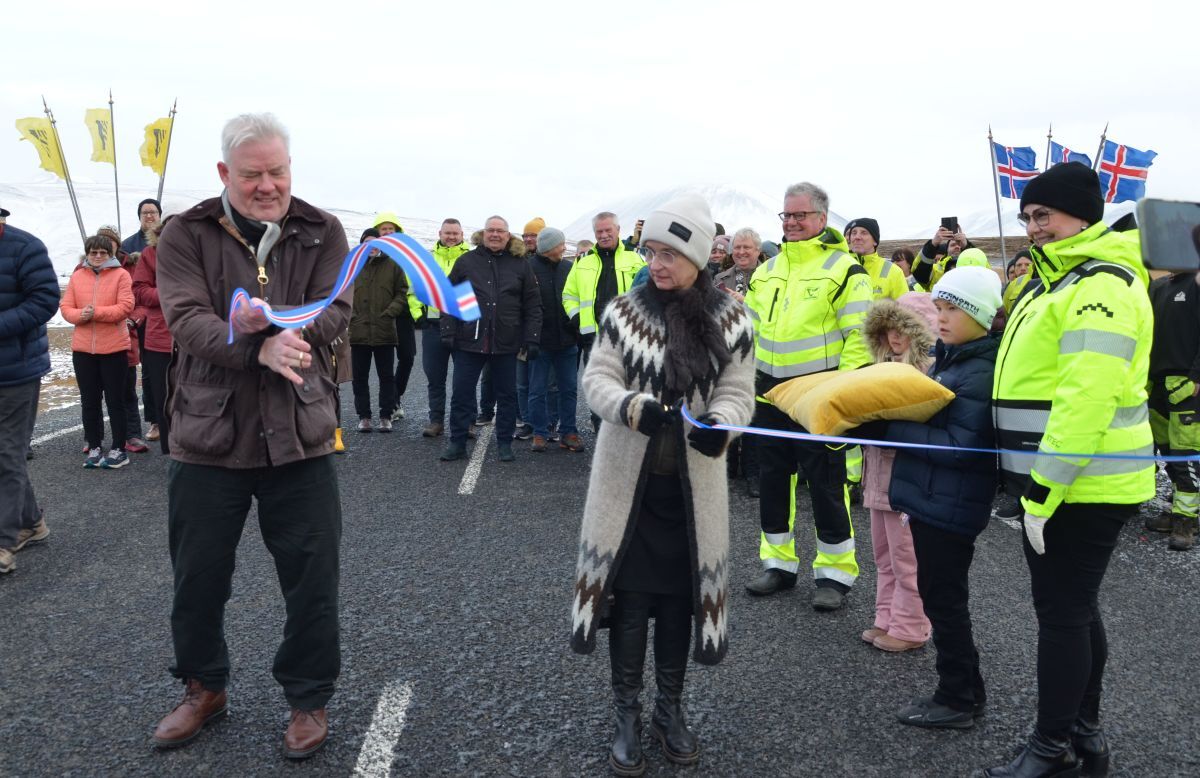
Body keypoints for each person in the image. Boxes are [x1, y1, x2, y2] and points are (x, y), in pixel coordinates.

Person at [152, 113, 350, 759]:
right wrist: (253, 346)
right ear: (224, 173)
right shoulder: (185, 232)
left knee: (312, 579)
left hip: (301, 432)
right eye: (252, 175)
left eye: (277, 172)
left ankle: (308, 697)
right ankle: (203, 687)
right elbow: (186, 317)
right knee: (198, 577)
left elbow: (335, 306)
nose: (267, 185)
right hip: (208, 435)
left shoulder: (323, 230)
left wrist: (287, 334)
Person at [569, 194, 755, 776]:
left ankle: (669, 712)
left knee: (678, 605)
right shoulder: (622, 312)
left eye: (669, 253)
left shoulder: (733, 320)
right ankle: (626, 714)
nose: (657, 263)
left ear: (697, 256)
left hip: (691, 494)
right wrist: (630, 406)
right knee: (630, 604)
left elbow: (738, 390)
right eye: (651, 252)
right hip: (630, 492)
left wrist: (722, 424)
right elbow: (597, 377)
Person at [983, 162, 1155, 777]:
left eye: (1045, 215)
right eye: (1028, 216)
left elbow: (1087, 397)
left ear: (1082, 216)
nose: (1034, 227)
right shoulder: (1054, 282)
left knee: (1061, 615)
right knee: (1075, 609)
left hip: (1083, 484)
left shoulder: (1102, 285)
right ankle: (1084, 735)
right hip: (1063, 481)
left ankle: (1050, 746)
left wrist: (1044, 489)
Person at [865, 268, 1001, 730]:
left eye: (953, 310)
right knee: (940, 596)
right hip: (933, 498)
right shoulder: (953, 360)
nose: (941, 318)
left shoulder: (977, 371)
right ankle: (963, 690)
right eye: (939, 308)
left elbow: (963, 447)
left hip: (950, 504)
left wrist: (890, 427)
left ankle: (957, 697)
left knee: (945, 601)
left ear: (980, 315)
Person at [744, 182, 873, 611]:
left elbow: (860, 338)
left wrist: (839, 393)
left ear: (822, 218)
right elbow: (748, 331)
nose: (793, 222)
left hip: (819, 400)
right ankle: (777, 565)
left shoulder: (845, 270)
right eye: (787, 215)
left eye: (801, 215)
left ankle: (834, 574)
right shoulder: (767, 270)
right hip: (769, 397)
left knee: (827, 486)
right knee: (773, 483)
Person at [858, 292, 938, 654]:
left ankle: (911, 626)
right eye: (889, 328)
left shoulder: (928, 374)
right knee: (883, 555)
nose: (894, 336)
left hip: (906, 480)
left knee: (907, 557)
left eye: (903, 328)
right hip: (878, 476)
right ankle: (886, 616)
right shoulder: (879, 369)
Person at [439, 216, 541, 463]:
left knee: (507, 396)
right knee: (462, 394)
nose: (495, 234)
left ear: (508, 235)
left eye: (500, 231)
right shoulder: (466, 262)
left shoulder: (520, 265)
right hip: (469, 341)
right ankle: (457, 443)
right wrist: (448, 332)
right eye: (491, 230)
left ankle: (504, 444)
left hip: (506, 342)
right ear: (483, 233)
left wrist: (532, 338)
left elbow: (532, 304)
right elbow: (449, 298)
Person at [0, 206, 58, 576]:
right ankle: (31, 521)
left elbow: (45, 300)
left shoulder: (25, 247)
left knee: (7, 453)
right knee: (7, 455)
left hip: (16, 370)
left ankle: (4, 541)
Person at [564, 212, 646, 432]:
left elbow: (647, 294)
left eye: (608, 230)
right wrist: (577, 317)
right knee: (599, 388)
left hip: (627, 338)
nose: (603, 235)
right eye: (599, 231)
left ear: (618, 230)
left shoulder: (635, 259)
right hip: (593, 338)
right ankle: (601, 433)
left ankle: (626, 433)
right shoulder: (582, 261)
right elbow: (569, 295)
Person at [61, 235, 134, 469]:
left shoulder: (121, 275)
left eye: (103, 252)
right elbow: (66, 307)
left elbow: (125, 307)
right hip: (83, 350)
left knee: (115, 400)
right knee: (89, 401)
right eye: (93, 252)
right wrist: (79, 315)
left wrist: (96, 313)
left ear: (110, 254)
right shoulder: (77, 276)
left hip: (113, 349)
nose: (98, 256)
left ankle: (119, 448)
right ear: (87, 254)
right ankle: (94, 446)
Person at [1144, 268, 1200, 550]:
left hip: (1187, 386)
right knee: (1168, 455)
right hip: (1156, 384)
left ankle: (1186, 522)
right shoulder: (1159, 286)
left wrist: (1197, 376)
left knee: (1186, 456)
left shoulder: (1196, 282)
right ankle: (1176, 510)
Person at [716, 227, 763, 497]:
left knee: (754, 415)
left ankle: (753, 472)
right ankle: (729, 466)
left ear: (758, 250)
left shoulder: (770, 277)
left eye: (747, 247)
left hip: (759, 354)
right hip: (727, 354)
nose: (742, 252)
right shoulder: (720, 279)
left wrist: (745, 302)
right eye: (738, 247)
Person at [527, 227, 583, 453]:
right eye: (560, 244)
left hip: (567, 341)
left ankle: (568, 432)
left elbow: (576, 298)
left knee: (568, 389)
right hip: (539, 342)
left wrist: (575, 327)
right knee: (537, 390)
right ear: (549, 247)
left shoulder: (569, 268)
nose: (564, 248)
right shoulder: (529, 268)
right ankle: (539, 433)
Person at [415, 218, 472, 438]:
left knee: (465, 378)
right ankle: (436, 421)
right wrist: (418, 314)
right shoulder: (427, 260)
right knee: (435, 377)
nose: (451, 237)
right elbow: (413, 289)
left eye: (455, 233)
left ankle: (467, 422)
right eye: (447, 233)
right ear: (440, 234)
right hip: (433, 326)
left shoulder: (471, 258)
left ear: (462, 235)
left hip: (463, 326)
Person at [349, 226, 407, 433]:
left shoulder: (393, 264)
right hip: (359, 330)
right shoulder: (352, 266)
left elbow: (402, 291)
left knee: (386, 376)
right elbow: (341, 291)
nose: (371, 247)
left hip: (384, 329)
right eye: (367, 243)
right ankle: (364, 417)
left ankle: (385, 416)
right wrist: (352, 315)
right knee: (359, 377)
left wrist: (391, 312)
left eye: (375, 242)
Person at [99, 225, 150, 453]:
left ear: (117, 244)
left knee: (126, 390)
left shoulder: (132, 266)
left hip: (124, 338)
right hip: (95, 339)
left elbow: (141, 302)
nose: (105, 245)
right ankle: (93, 438)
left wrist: (132, 321)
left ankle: (132, 435)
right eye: (101, 240)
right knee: (94, 393)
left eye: (110, 240)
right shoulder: (84, 268)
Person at [132, 216, 176, 454]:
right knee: (164, 397)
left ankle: (199, 453)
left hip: (197, 336)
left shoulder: (203, 251)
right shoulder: (149, 254)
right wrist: (169, 294)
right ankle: (172, 454)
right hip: (160, 338)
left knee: (199, 396)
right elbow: (139, 291)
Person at [370, 213, 417, 422]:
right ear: (377, 232)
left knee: (407, 357)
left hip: (404, 312)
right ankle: (390, 404)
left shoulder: (408, 255)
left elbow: (415, 282)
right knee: (386, 364)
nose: (388, 232)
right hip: (382, 314)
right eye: (384, 229)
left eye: (391, 229)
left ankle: (395, 397)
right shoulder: (371, 254)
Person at [845, 218, 908, 301]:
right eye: (854, 233)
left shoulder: (894, 271)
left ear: (875, 241)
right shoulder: (841, 267)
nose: (857, 237)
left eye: (864, 233)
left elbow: (905, 306)